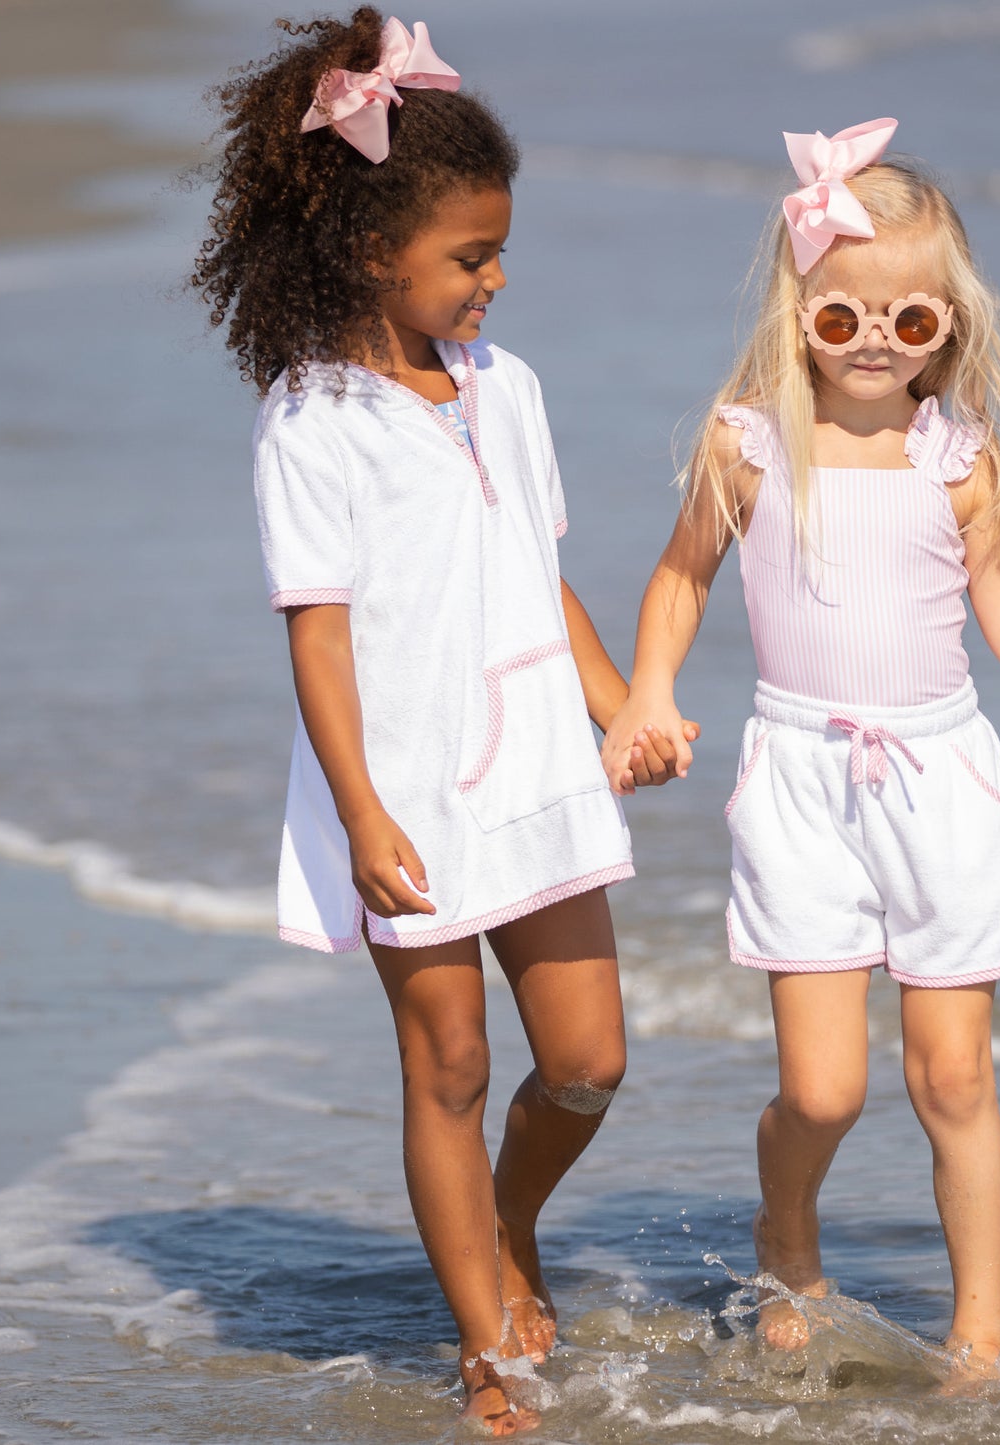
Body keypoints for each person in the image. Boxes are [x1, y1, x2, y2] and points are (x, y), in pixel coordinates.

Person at [193, 10, 692, 1433]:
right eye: (471, 256)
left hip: (536, 765)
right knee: (453, 1063)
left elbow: (540, 571)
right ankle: (486, 1341)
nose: (494, 279)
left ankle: (499, 1221)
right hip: (402, 784)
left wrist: (627, 704)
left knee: (589, 1060)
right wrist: (359, 811)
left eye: (498, 250)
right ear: (371, 254)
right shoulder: (312, 418)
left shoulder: (509, 388)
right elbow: (322, 636)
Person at [602, 119, 1000, 1374]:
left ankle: (980, 1331)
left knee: (951, 1082)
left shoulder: (960, 463)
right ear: (800, 312)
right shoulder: (748, 447)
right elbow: (679, 579)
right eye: (842, 318)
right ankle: (785, 1229)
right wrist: (647, 692)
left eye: (911, 323)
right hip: (798, 782)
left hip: (940, 784)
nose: (873, 345)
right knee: (826, 1090)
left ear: (948, 328)